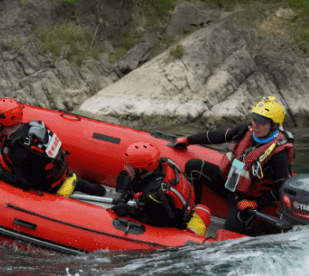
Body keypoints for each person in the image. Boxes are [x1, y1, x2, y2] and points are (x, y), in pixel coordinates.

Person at [173, 95, 294, 236]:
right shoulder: (246, 130)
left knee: (228, 235)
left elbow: (282, 187)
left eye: (262, 123)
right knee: (193, 166)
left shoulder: (279, 154)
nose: (256, 125)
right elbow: (218, 136)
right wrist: (188, 140)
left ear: (274, 125)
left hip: (247, 199)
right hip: (229, 182)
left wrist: (256, 204)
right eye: (254, 119)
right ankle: (192, 210)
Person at [0, 98, 106, 197]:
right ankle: (88, 187)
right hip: (58, 174)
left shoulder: (19, 148)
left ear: (1, 122)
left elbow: (21, 182)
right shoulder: (31, 128)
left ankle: (81, 186)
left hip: (47, 186)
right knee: (100, 191)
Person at [111, 141, 211, 236]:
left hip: (172, 221)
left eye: (128, 166)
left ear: (140, 169)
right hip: (185, 205)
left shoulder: (153, 195)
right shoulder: (162, 165)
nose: (125, 167)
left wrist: (129, 210)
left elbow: (156, 221)